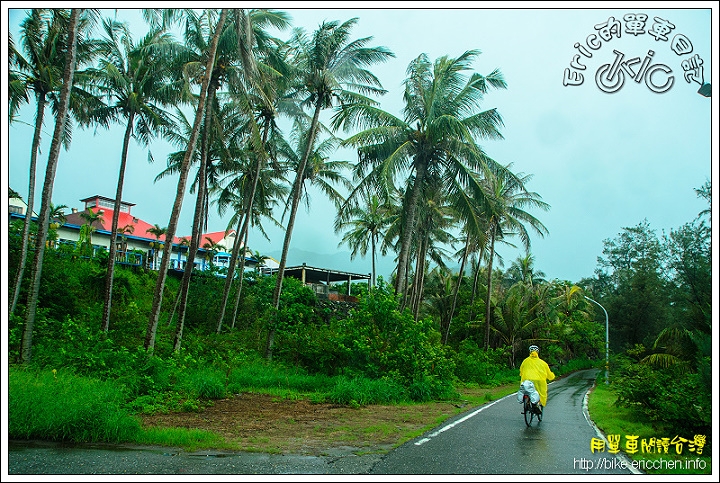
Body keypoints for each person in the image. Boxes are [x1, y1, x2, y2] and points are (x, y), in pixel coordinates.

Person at [519, 345, 555, 411]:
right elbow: (548, 374)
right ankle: (538, 404)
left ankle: (527, 402)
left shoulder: (525, 361)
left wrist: (522, 375)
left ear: (530, 352)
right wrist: (552, 377)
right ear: (538, 352)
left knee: (526, 391)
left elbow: (521, 370)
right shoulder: (543, 363)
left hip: (527, 380)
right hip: (539, 381)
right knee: (540, 393)